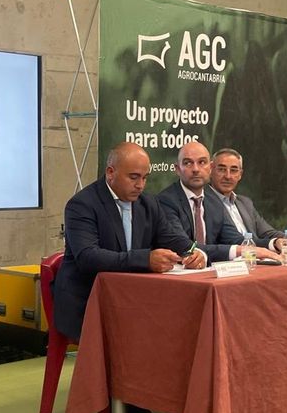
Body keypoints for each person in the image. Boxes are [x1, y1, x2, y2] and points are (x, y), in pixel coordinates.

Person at [54, 142, 205, 342]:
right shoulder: (82, 204)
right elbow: (88, 257)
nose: (140, 185)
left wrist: (194, 251)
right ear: (110, 172)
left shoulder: (148, 203)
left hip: (134, 299)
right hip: (88, 301)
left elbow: (172, 238)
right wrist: (145, 260)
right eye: (134, 177)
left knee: (178, 326)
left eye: (144, 178)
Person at [157, 141, 278, 262]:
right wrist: (240, 250)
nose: (195, 169)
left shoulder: (213, 201)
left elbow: (234, 239)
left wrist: (274, 244)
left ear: (210, 168)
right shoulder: (166, 201)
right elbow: (184, 246)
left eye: (202, 162)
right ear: (177, 169)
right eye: (188, 163)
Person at [209, 148, 287, 252]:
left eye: (234, 170)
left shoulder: (245, 203)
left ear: (240, 175)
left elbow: (267, 233)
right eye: (222, 169)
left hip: (254, 261)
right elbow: (237, 242)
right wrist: (276, 243)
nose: (228, 176)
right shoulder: (205, 202)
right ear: (210, 170)